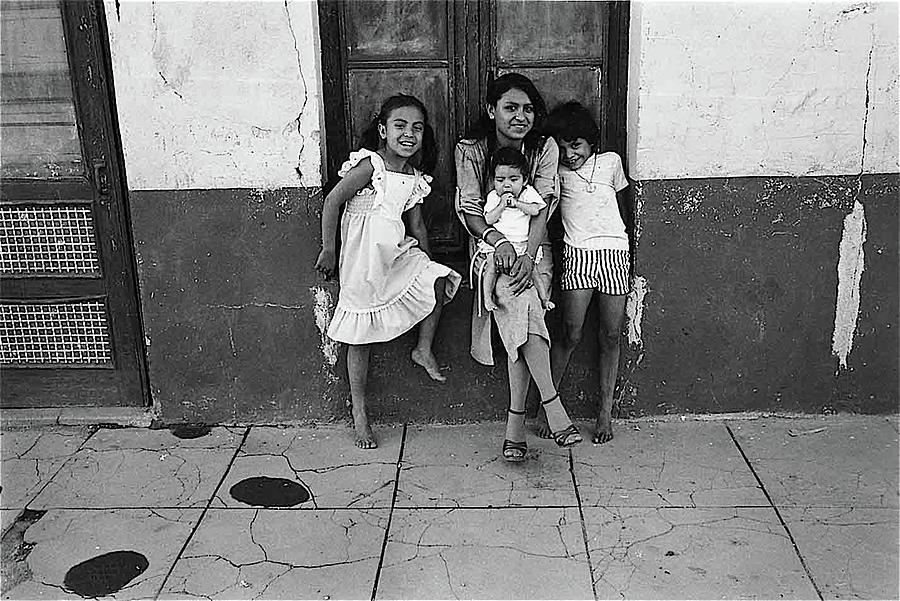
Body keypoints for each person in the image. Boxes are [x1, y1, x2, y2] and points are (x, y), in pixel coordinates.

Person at [315, 94, 461, 449]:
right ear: (382, 130)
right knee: (360, 337)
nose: (409, 133)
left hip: (394, 254)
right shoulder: (371, 165)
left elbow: (417, 226)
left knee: (439, 281)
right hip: (363, 262)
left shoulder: (413, 177)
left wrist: (427, 262)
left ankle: (423, 349)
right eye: (400, 125)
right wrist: (330, 249)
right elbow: (334, 200)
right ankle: (360, 414)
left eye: (417, 128)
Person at [455, 73, 582, 462]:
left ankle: (515, 427)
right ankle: (552, 405)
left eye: (528, 109)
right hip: (490, 249)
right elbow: (470, 209)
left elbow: (544, 203)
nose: (520, 116)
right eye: (510, 108)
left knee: (522, 315)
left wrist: (528, 254)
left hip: (534, 249)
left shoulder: (543, 149)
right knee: (521, 305)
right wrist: (502, 243)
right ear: (492, 110)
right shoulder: (471, 150)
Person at [544, 101, 631, 445]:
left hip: (615, 255)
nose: (569, 154)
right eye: (562, 148)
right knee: (570, 333)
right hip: (577, 255)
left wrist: (626, 249)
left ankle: (605, 413)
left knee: (610, 336)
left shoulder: (611, 163)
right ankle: (548, 409)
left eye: (575, 145)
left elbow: (624, 210)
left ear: (590, 141)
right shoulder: (557, 174)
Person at [478, 147, 553, 313]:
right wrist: (502, 205)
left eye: (513, 179)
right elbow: (489, 219)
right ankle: (487, 298)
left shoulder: (528, 194)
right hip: (500, 245)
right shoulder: (494, 197)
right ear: (493, 181)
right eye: (500, 180)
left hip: (523, 244)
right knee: (491, 268)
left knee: (534, 273)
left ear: (524, 180)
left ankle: (544, 299)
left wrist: (516, 203)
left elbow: (535, 211)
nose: (506, 185)